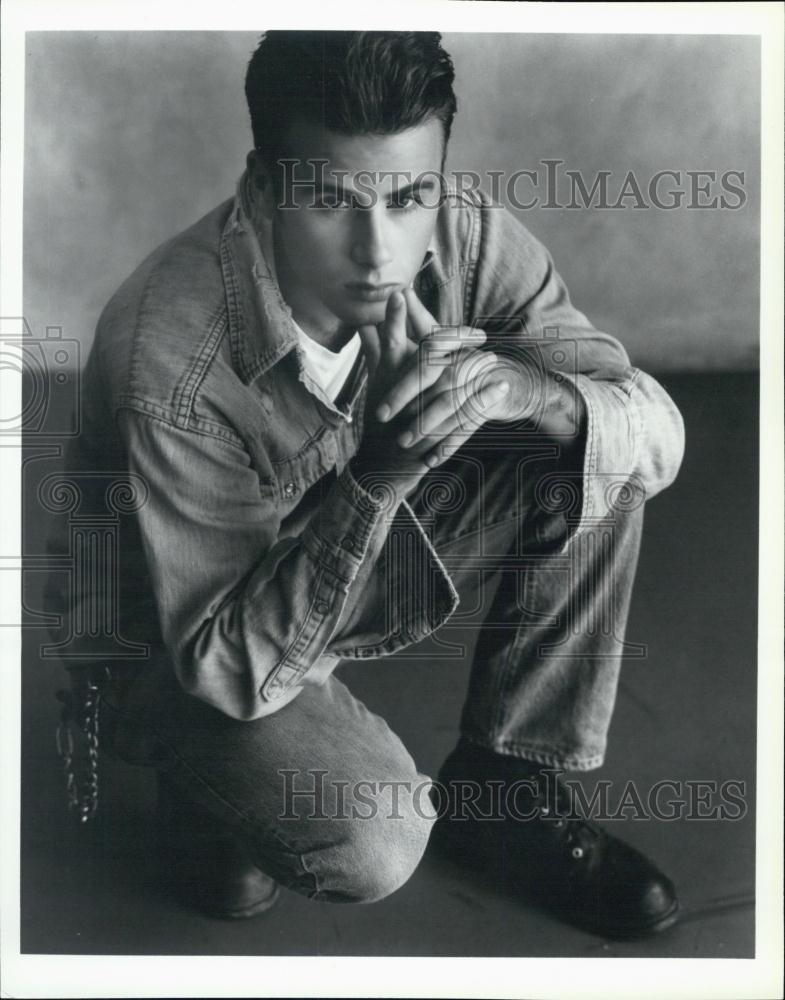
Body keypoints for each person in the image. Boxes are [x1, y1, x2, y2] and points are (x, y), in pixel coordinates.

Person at [50, 31, 685, 938]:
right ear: (265, 187)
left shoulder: (465, 230)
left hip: (325, 562)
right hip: (181, 636)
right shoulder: (173, 354)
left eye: (409, 195)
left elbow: (651, 428)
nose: (379, 249)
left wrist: (532, 392)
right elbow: (223, 662)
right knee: (367, 841)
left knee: (588, 441)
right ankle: (199, 781)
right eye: (333, 201)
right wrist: (382, 470)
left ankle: (502, 786)